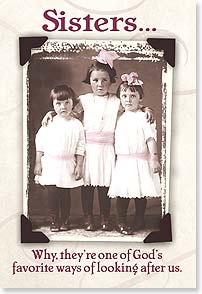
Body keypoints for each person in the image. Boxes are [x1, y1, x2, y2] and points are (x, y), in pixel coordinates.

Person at [42, 50, 154, 232]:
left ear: (111, 81)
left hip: (107, 149)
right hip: (88, 149)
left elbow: (133, 105)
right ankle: (88, 218)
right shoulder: (84, 100)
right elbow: (66, 110)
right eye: (95, 80)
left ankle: (104, 217)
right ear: (89, 81)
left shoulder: (117, 100)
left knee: (105, 185)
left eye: (104, 80)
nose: (100, 84)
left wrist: (147, 108)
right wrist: (52, 113)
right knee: (87, 185)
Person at [108, 72, 161, 235]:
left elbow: (150, 138)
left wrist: (154, 158)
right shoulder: (118, 117)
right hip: (123, 162)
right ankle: (121, 221)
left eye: (132, 95)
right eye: (124, 95)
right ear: (120, 99)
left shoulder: (144, 116)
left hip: (140, 160)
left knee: (140, 193)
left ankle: (139, 219)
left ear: (140, 98)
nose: (128, 99)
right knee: (123, 193)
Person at [34, 84, 85, 232]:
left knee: (65, 193)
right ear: (53, 105)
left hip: (68, 163)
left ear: (73, 104)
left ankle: (65, 219)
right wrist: (38, 163)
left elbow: (81, 147)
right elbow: (40, 144)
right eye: (58, 103)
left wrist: (79, 165)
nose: (63, 107)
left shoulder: (77, 125)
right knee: (52, 193)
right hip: (50, 163)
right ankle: (54, 219)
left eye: (67, 103)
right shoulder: (48, 122)